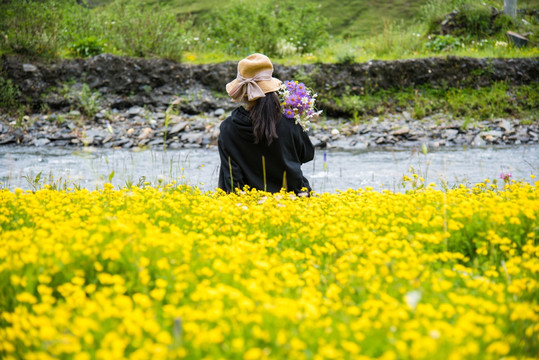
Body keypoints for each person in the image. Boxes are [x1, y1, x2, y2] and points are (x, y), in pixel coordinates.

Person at [218, 53, 314, 194]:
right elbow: (307, 154)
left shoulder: (228, 128)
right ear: (271, 87)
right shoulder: (288, 122)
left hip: (249, 204)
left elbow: (231, 176)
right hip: (294, 200)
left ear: (242, 92)